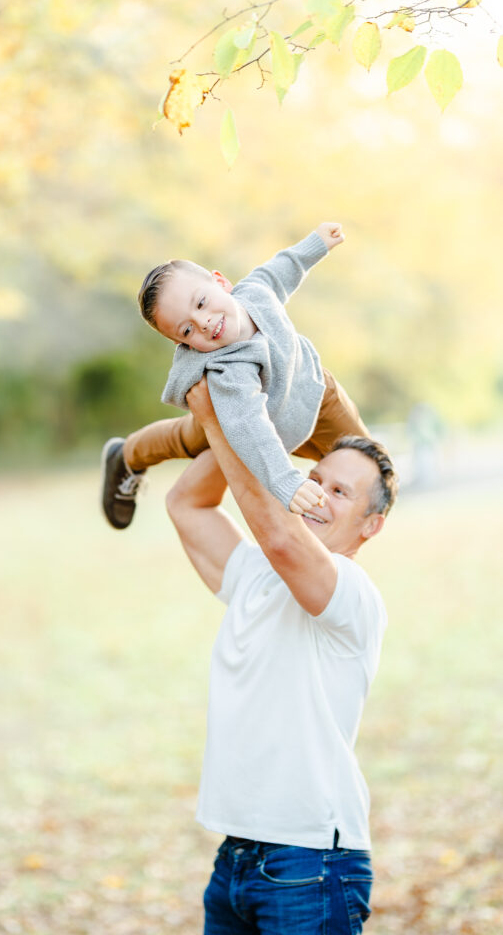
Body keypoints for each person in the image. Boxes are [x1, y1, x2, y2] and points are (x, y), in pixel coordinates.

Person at [166, 376, 398, 935]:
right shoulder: (254, 574)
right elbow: (186, 503)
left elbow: (280, 538)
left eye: (340, 493)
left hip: (312, 862)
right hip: (235, 857)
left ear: (372, 525)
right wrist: (253, 414)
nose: (317, 494)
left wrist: (224, 422)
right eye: (313, 479)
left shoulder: (351, 591)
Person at [101, 223, 368, 530]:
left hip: (311, 391)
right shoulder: (229, 374)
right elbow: (250, 428)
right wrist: (286, 482)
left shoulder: (255, 293)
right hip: (248, 422)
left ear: (221, 282)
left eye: (201, 302)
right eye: (187, 330)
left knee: (372, 468)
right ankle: (126, 456)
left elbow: (280, 269)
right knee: (186, 438)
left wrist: (317, 243)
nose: (203, 322)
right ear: (183, 344)